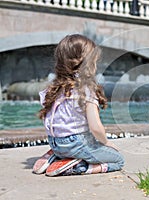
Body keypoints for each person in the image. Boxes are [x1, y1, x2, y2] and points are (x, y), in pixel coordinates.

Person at [33, 34, 124, 176]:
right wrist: (106, 142)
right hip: (75, 144)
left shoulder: (54, 89)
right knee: (118, 159)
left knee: (87, 141)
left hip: (55, 142)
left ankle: (56, 156)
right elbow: (95, 128)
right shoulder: (86, 90)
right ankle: (80, 166)